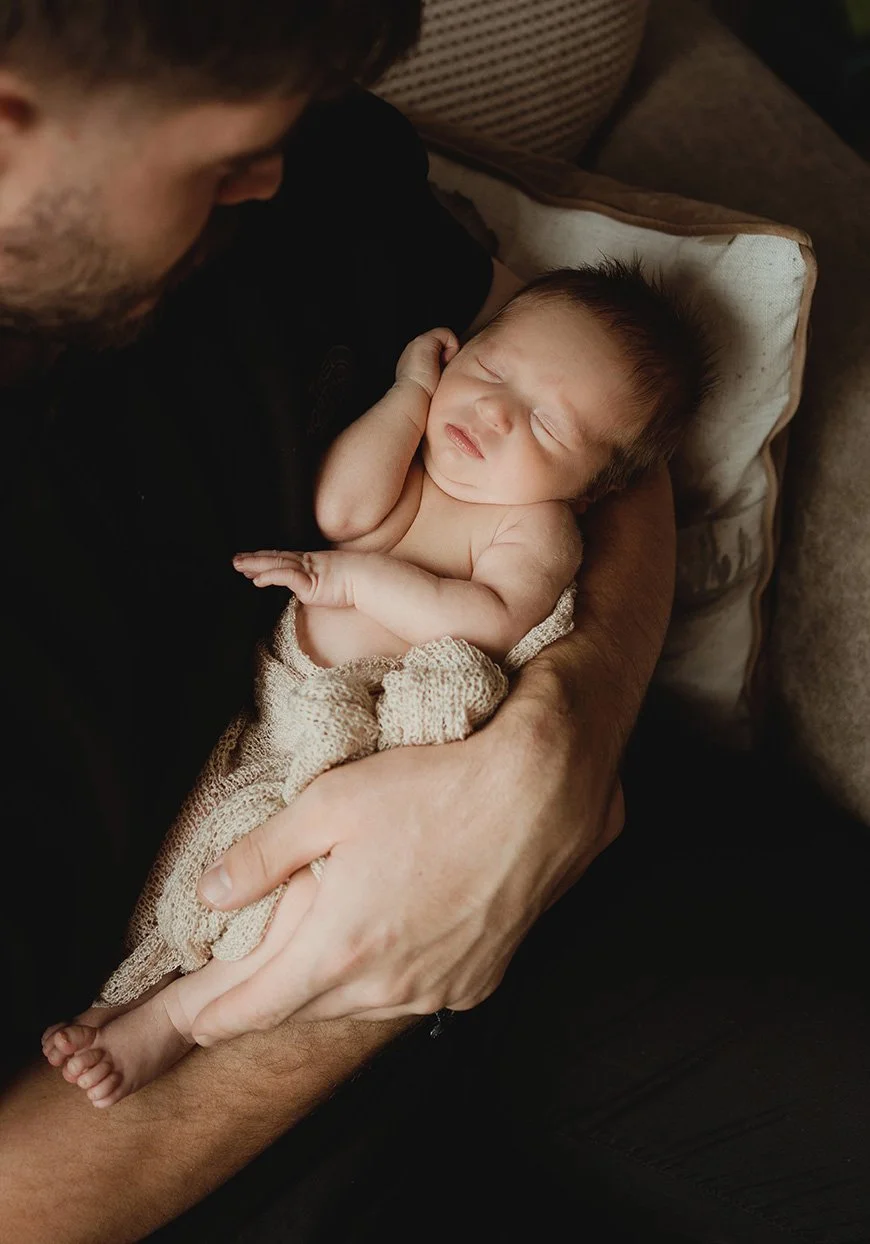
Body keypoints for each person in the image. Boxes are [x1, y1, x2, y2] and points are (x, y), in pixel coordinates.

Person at [3, 4, 868, 1243]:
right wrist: (391, 940)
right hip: (198, 1111)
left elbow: (604, 423)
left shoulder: (288, 137)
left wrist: (561, 741)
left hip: (586, 849)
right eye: (223, 161)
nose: (267, 180)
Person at [41, 260, 711, 1110]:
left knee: (306, 907)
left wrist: (350, 581)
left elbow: (489, 619)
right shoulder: (415, 467)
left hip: (377, 742)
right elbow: (343, 512)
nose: (495, 413)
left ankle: (178, 1018)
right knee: (197, 850)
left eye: (546, 425)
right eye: (491, 370)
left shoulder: (535, 527)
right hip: (286, 712)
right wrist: (408, 393)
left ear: (594, 491)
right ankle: (128, 987)